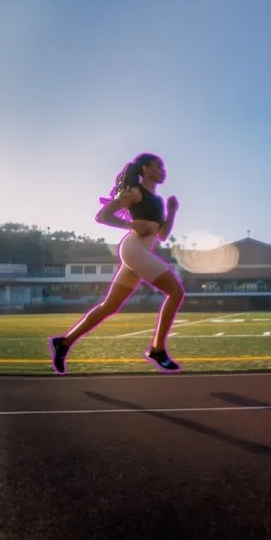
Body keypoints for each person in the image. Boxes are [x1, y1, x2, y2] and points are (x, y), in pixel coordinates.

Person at [48, 152, 184, 374]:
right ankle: (157, 350)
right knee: (176, 292)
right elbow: (102, 217)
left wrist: (172, 212)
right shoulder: (134, 192)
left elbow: (162, 236)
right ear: (146, 169)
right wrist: (131, 226)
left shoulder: (158, 200)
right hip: (133, 248)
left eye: (163, 167)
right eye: (158, 166)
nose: (163, 170)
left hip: (140, 252)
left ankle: (63, 342)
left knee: (110, 306)